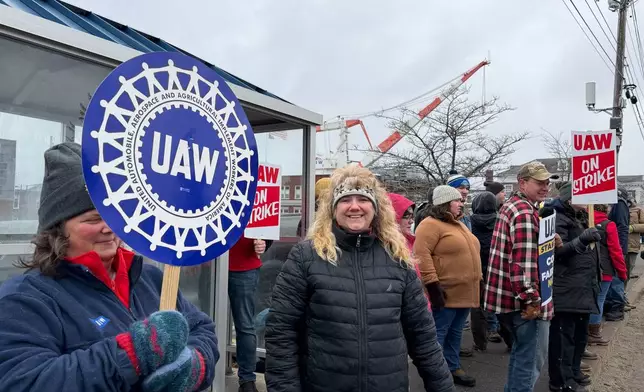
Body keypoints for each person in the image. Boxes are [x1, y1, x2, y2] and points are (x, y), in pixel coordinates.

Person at [0, 142, 219, 392]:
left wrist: (195, 365)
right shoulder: (25, 299)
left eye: (113, 215)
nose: (108, 227)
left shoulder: (150, 278)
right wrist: (131, 354)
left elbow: (203, 330)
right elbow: (25, 382)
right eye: (93, 219)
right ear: (57, 227)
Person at [265, 165, 454, 392]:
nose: (354, 206)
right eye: (345, 200)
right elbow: (281, 333)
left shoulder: (397, 258)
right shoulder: (306, 256)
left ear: (376, 208)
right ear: (333, 209)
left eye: (363, 199)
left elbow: (423, 337)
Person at [483, 161, 557, 392]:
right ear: (522, 182)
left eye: (547, 182)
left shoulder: (513, 206)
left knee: (521, 356)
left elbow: (519, 252)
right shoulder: (525, 212)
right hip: (523, 301)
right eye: (540, 182)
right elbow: (522, 263)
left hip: (507, 297)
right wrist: (532, 300)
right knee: (530, 362)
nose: (545, 187)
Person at [414, 185, 481, 387]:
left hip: (465, 291)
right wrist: (433, 286)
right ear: (445, 203)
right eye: (457, 200)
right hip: (446, 291)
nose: (462, 203)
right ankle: (435, 373)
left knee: (456, 331)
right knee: (439, 333)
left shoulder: (458, 224)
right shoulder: (429, 225)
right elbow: (422, 257)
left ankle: (452, 367)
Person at [544, 182, 601, 391]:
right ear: (570, 199)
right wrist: (582, 241)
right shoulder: (558, 219)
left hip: (583, 286)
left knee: (579, 336)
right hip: (566, 287)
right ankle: (560, 380)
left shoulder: (581, 217)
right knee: (563, 338)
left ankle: (573, 371)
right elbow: (556, 252)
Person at [469, 191, 511, 351]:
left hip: (477, 268)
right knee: (502, 307)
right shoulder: (501, 220)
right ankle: (510, 340)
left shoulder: (469, 222)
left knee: (477, 307)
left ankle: (480, 343)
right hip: (497, 268)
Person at [228, 236, 271, 392]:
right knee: (245, 325)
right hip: (219, 263)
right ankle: (247, 381)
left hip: (243, 264)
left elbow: (266, 222)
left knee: (245, 325)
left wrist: (264, 242)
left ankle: (247, 380)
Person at [588, 204, 628, 344]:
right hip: (604, 269)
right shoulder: (609, 225)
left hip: (585, 269)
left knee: (587, 299)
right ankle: (594, 333)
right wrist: (622, 273)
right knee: (599, 299)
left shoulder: (584, 221)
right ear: (607, 209)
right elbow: (616, 251)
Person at [388, 192, 431, 309]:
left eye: (412, 217)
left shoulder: (407, 242)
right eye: (406, 216)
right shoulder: (386, 248)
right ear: (392, 216)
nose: (411, 221)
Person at [605, 187, 630, 319]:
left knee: (616, 278)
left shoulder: (619, 204)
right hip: (611, 245)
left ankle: (617, 307)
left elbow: (622, 227)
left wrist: (619, 248)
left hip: (616, 246)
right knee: (610, 277)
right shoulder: (613, 203)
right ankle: (611, 305)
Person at [627, 199, 644, 285]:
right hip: (618, 243)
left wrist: (633, 228)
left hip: (632, 244)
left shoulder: (638, 210)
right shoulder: (616, 208)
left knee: (630, 266)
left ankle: (623, 291)